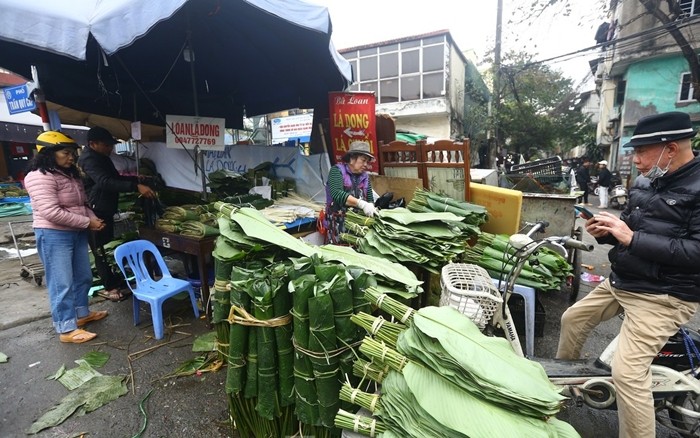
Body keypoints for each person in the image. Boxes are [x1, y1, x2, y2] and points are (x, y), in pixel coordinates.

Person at [556, 111, 700, 438]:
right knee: (572, 319)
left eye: (641, 152)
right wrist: (606, 232)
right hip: (624, 280)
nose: (635, 160)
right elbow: (631, 230)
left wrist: (631, 237)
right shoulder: (648, 180)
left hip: (664, 295)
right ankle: (566, 389)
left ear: (671, 148)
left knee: (627, 373)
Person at [24, 131, 108, 344]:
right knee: (61, 283)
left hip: (76, 232)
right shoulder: (38, 176)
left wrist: (92, 218)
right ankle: (66, 328)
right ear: (48, 153)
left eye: (73, 153)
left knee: (84, 277)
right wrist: (87, 222)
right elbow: (51, 212)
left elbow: (82, 204)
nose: (71, 157)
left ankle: (82, 314)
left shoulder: (71, 174)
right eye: (66, 153)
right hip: (54, 234)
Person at [78, 126, 156, 302]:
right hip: (95, 210)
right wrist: (135, 186)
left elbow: (114, 177)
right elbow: (105, 182)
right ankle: (109, 286)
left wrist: (136, 179)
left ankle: (115, 280)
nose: (110, 148)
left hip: (105, 207)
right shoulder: (90, 160)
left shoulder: (101, 157)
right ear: (93, 144)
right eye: (106, 145)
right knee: (101, 250)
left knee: (107, 245)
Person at [324, 141, 376, 244]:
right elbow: (337, 194)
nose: (366, 165)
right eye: (363, 160)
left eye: (368, 162)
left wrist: (370, 206)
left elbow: (370, 199)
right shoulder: (336, 171)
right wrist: (361, 204)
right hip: (338, 225)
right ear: (352, 158)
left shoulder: (365, 177)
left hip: (358, 226)